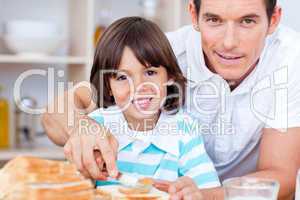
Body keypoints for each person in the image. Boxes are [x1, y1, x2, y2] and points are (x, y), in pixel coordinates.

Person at [42, 0, 300, 199]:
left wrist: (197, 195)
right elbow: (62, 109)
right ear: (193, 15)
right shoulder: (158, 52)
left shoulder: (290, 59)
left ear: (273, 19)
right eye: (214, 20)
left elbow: (281, 178)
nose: (229, 42)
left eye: (247, 21)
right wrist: (82, 128)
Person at [84, 16, 219, 190]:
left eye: (150, 73)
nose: (140, 86)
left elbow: (206, 190)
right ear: (108, 86)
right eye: (122, 77)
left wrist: (193, 192)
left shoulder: (184, 130)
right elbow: (72, 186)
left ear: (169, 76)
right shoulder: (95, 127)